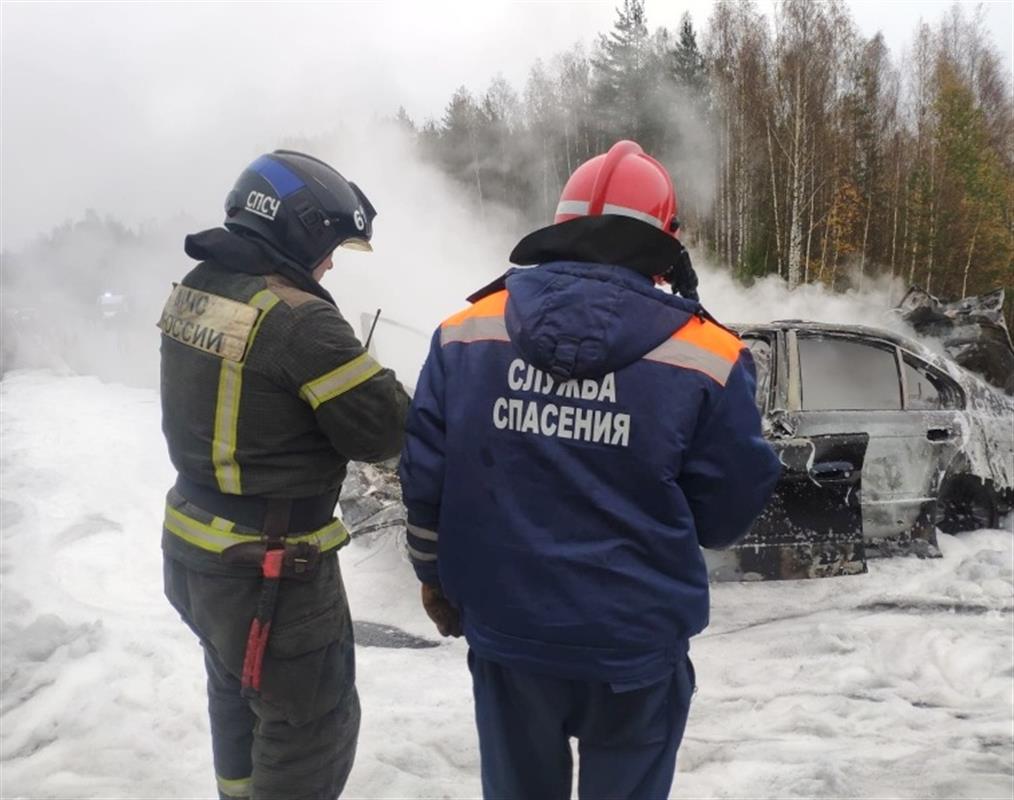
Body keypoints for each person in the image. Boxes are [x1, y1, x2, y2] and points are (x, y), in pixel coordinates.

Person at [399, 140, 781, 799]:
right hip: (633, 655)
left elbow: (425, 485)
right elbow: (724, 517)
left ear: (561, 226)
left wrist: (436, 584)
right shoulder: (709, 356)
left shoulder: (465, 335)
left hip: (508, 642)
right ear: (665, 241)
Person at [159, 150, 409, 799]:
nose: (328, 264)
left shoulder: (198, 289)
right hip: (271, 578)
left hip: (196, 557)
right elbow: (385, 429)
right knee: (311, 732)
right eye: (329, 246)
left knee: (235, 696)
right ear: (296, 229)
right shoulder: (298, 319)